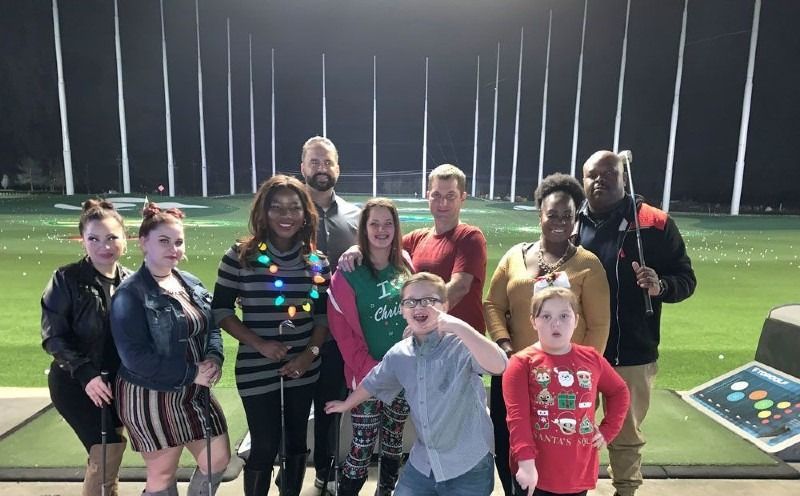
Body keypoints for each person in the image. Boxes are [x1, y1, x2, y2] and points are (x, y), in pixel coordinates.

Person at [576, 150, 697, 496]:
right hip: (580, 351)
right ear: (583, 180)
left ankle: (625, 491)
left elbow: (686, 278)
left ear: (623, 177)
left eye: (608, 173)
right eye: (591, 175)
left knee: (626, 433)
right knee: (573, 427)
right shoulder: (571, 222)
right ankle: (572, 487)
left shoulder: (655, 223)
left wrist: (661, 286)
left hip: (632, 350)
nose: (599, 180)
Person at [325, 272, 507, 496]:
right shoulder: (400, 354)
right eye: (410, 301)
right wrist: (346, 404)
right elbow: (373, 382)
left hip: (468, 463)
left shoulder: (460, 344)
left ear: (445, 305)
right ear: (402, 309)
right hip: (424, 462)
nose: (419, 307)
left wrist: (459, 327)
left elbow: (499, 366)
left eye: (429, 301)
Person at [484, 173, 610, 495]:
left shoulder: (588, 265)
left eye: (567, 216)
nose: (559, 222)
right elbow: (492, 304)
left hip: (563, 381)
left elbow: (598, 325)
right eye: (552, 214)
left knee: (557, 456)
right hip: (515, 372)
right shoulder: (515, 256)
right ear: (539, 213)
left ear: (575, 218)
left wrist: (585, 373)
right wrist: (506, 345)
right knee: (510, 443)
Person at [212, 175, 331, 496]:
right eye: (276, 207)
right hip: (255, 365)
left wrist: (309, 355)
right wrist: (260, 344)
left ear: (306, 214)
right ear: (263, 212)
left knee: (295, 442)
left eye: (294, 208)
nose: (286, 215)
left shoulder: (318, 263)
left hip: (304, 367)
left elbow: (323, 317)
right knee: (263, 445)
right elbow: (221, 310)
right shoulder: (239, 256)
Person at [111, 202, 230, 496]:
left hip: (194, 391)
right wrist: (192, 373)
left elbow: (211, 325)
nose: (173, 248)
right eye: (163, 241)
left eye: (178, 242)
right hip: (151, 395)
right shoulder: (130, 293)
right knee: (163, 474)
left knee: (218, 459)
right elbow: (134, 358)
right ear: (143, 243)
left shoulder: (189, 281)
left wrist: (214, 356)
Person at [41, 199, 131, 496]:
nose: (104, 246)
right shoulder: (66, 279)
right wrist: (86, 374)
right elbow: (54, 337)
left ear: (125, 240)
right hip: (75, 384)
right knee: (107, 450)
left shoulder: (132, 282)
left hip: (116, 385)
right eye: (94, 238)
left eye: (111, 238)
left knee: (107, 453)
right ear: (83, 241)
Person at [503, 286, 630, 496]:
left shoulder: (591, 358)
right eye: (546, 316)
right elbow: (517, 419)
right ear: (533, 321)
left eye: (564, 315)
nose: (556, 323)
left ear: (576, 320)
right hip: (536, 473)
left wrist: (608, 430)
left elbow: (619, 391)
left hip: (578, 473)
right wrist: (526, 463)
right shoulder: (521, 363)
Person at [327, 198, 414, 495]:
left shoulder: (405, 264)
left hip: (402, 375)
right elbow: (343, 335)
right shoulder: (347, 273)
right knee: (362, 444)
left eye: (388, 223)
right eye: (374, 223)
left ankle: (386, 490)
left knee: (393, 439)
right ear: (363, 228)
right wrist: (376, 372)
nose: (381, 229)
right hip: (366, 377)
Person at [339, 163, 487, 332]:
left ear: (463, 197)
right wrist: (358, 249)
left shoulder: (470, 237)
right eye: (437, 195)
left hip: (462, 344)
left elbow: (459, 287)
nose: (443, 202)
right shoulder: (417, 239)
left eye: (451, 196)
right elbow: (381, 244)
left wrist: (423, 318)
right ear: (427, 196)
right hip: (427, 343)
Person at [299, 136, 361, 489]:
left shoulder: (355, 216)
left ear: (338, 168)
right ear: (303, 167)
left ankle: (326, 470)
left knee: (330, 405)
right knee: (293, 406)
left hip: (340, 332)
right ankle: (293, 472)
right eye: (315, 162)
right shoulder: (286, 212)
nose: (321, 168)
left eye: (328, 162)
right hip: (294, 328)